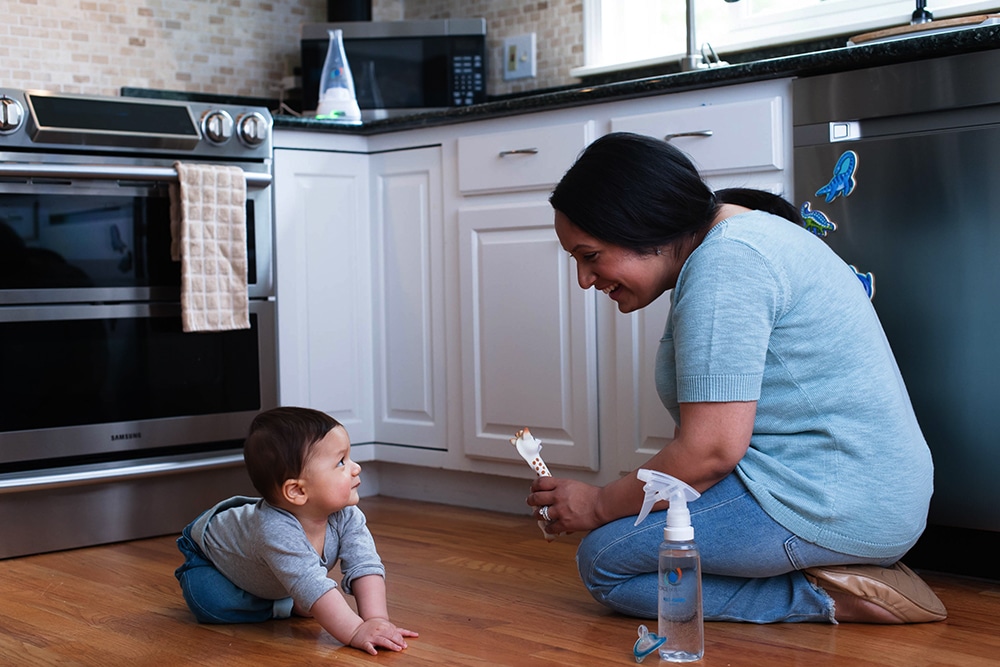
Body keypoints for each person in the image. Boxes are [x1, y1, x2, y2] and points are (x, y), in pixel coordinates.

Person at [526, 132, 946, 625]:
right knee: (644, 539)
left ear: (640, 223)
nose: (583, 278)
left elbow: (710, 452)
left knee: (605, 562)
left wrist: (599, 505)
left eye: (590, 255)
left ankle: (831, 597)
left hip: (832, 502)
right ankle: (823, 567)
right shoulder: (742, 238)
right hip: (858, 490)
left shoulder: (727, 265)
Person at [174, 406, 418, 654]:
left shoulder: (347, 514)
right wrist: (355, 631)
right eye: (341, 462)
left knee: (307, 587)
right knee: (208, 598)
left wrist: (376, 619)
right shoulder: (275, 530)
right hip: (210, 558)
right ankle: (284, 605)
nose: (355, 468)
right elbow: (311, 583)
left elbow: (365, 564)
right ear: (298, 491)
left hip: (266, 571)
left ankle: (291, 600)